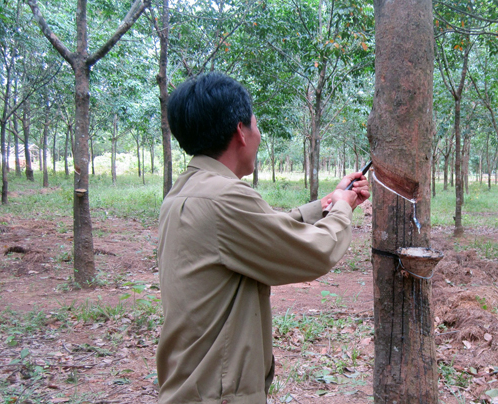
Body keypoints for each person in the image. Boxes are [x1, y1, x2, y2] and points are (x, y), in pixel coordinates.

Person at [156, 72, 370, 404]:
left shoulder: (185, 192)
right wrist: (342, 210)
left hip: (190, 386)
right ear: (240, 131)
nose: (258, 135)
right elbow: (317, 252)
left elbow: (263, 228)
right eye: (256, 125)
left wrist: (326, 204)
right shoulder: (226, 197)